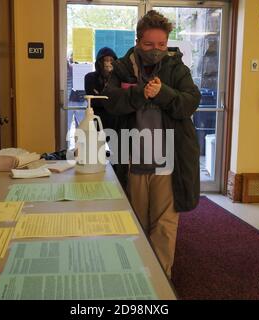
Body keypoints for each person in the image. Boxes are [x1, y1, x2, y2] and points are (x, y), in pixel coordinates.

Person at [102, 10, 202, 278]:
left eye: (161, 45)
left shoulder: (177, 68)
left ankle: (159, 280)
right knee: (134, 221)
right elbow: (110, 102)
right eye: (148, 45)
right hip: (132, 159)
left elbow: (190, 102)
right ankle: (134, 275)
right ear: (137, 41)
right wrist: (138, 93)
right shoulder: (122, 68)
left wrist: (163, 94)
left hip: (169, 161)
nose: (155, 50)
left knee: (165, 223)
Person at [84, 47, 118, 130]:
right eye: (106, 60)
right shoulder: (90, 77)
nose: (109, 63)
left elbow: (120, 100)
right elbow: (93, 101)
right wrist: (111, 100)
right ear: (99, 62)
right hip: (96, 120)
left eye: (111, 60)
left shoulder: (118, 78)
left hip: (115, 122)